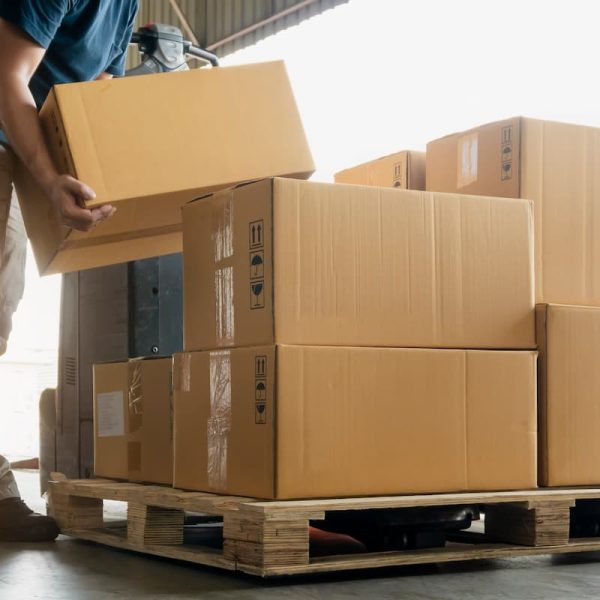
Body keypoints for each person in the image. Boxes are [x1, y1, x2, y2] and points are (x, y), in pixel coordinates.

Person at [0, 0, 139, 542]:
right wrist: (51, 176)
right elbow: (8, 75)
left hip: (22, 138)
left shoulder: (126, 6)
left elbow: (98, 92)